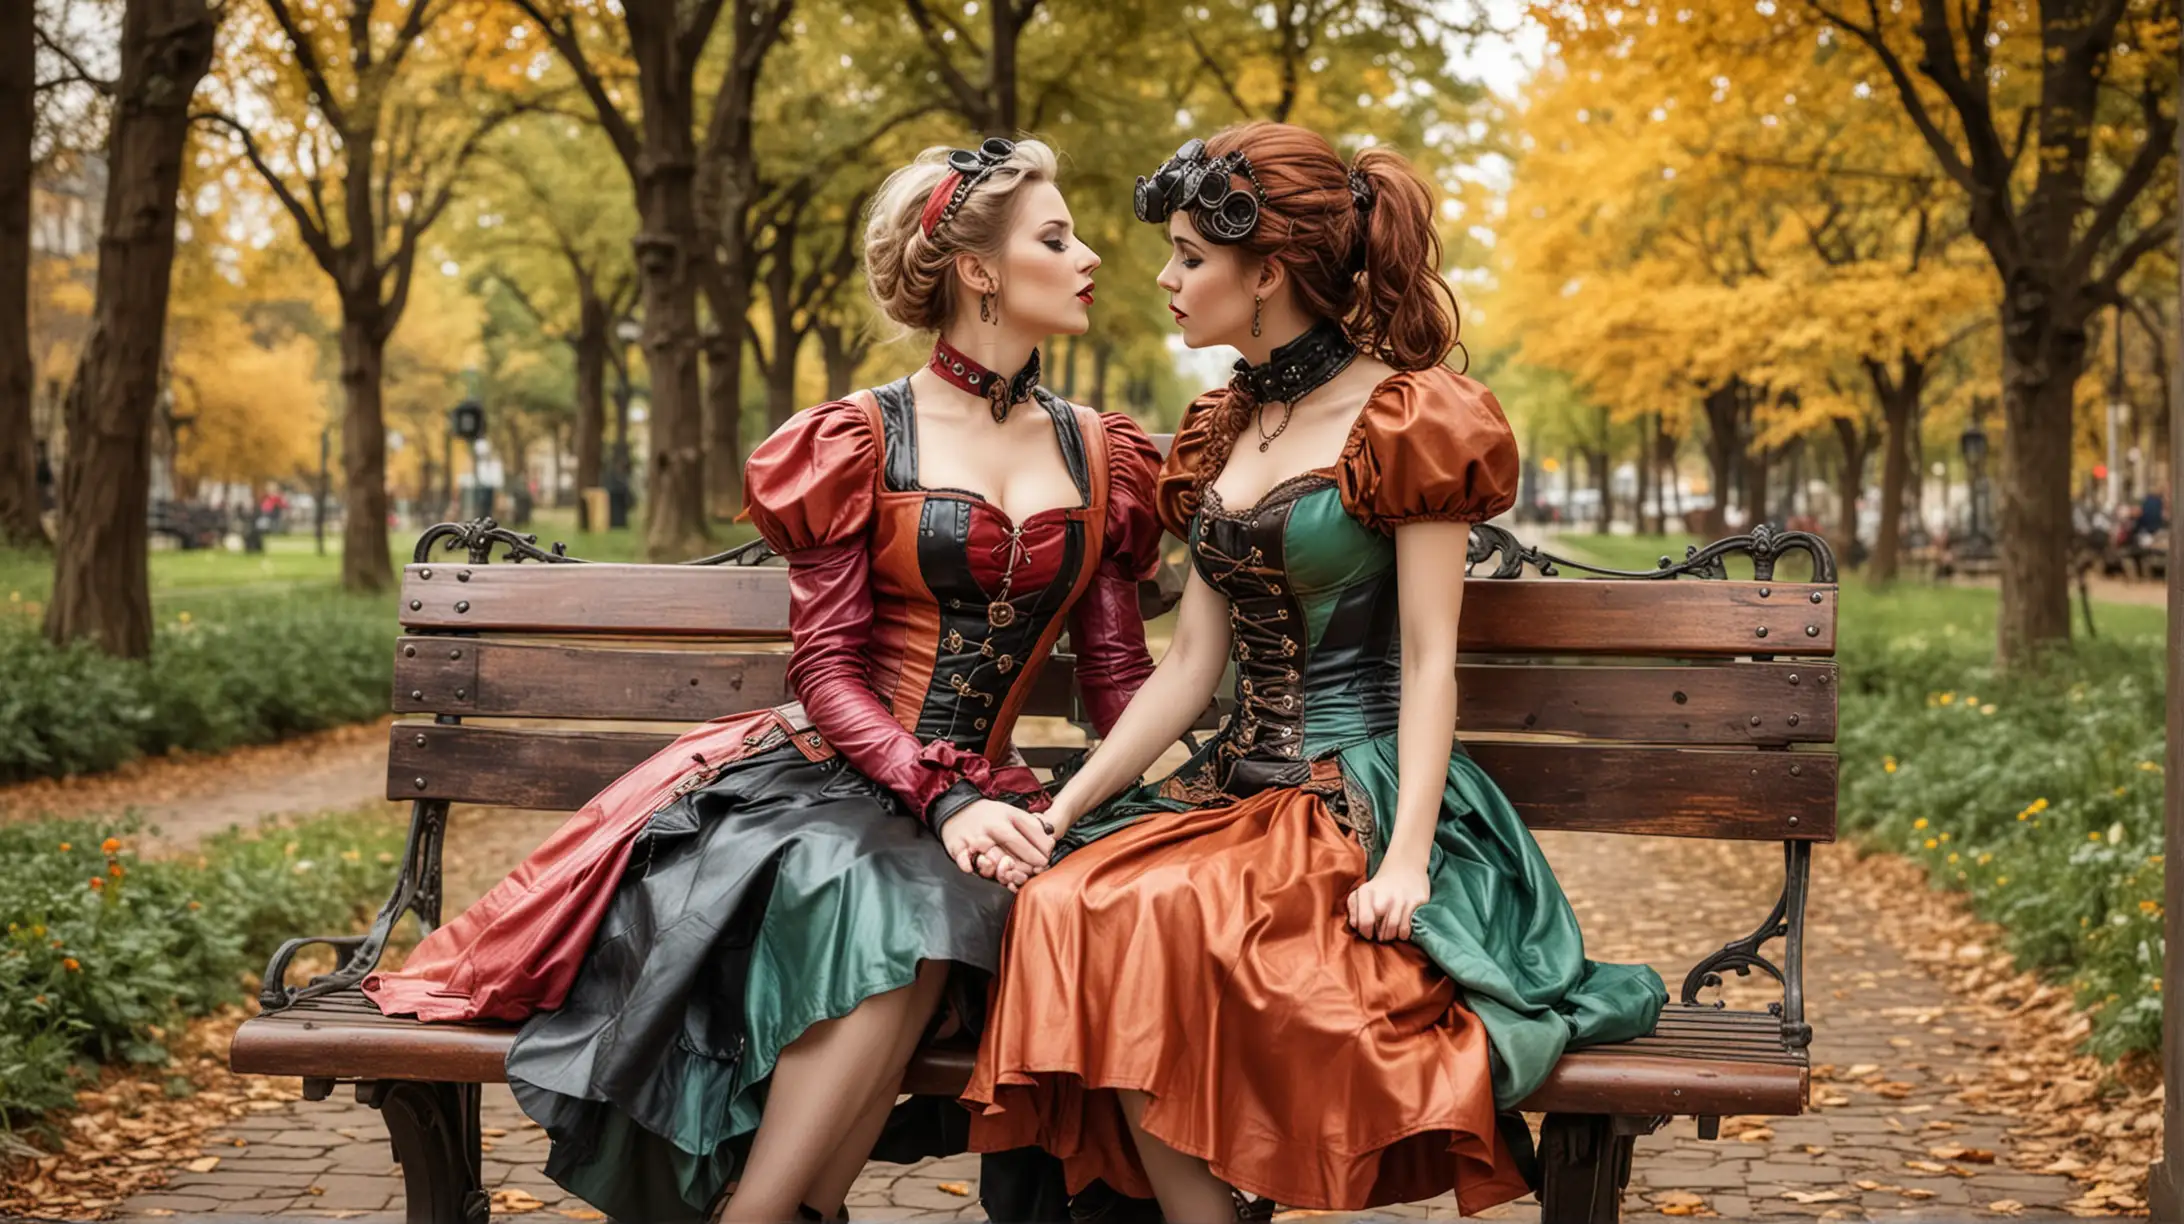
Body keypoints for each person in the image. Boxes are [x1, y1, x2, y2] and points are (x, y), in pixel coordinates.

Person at [363, 137, 1165, 1224]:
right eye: (1057, 238)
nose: (1091, 260)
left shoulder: (1103, 453)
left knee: (1050, 907)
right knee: (900, 899)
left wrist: (1144, 808)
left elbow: (1120, 676)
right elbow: (827, 669)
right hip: (837, 779)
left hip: (1000, 803)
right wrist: (943, 792)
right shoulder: (856, 439)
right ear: (977, 269)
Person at [962, 122, 1668, 1222]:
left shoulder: (1410, 416)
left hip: (1362, 797)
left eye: (1192, 256)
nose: (1166, 277)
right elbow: (1191, 667)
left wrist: (1410, 864)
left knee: (1154, 919)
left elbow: (1433, 664)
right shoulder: (1222, 425)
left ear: (1270, 273)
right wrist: (1065, 808)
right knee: (1066, 899)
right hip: (1239, 795)